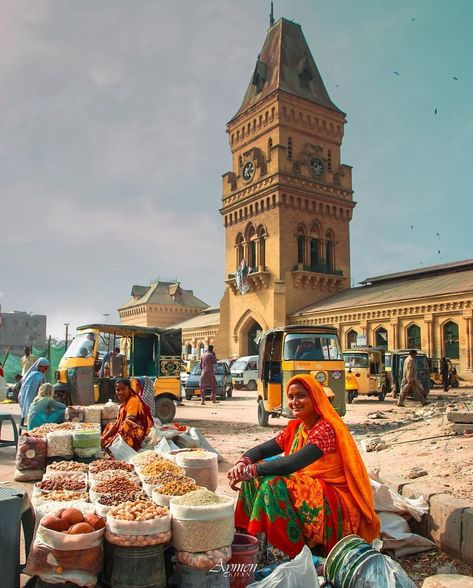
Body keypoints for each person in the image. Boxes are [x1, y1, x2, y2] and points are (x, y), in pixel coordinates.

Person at [228, 374, 380, 559]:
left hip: (335, 502)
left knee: (272, 485)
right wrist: (242, 463)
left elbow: (294, 463)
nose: (294, 402)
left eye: (301, 396)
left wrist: (251, 470)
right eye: (291, 397)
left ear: (315, 398)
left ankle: (286, 552)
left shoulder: (325, 429)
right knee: (254, 480)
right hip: (312, 489)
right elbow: (262, 450)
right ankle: (250, 541)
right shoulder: (297, 428)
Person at [101, 378, 154, 451]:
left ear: (129, 389)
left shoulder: (133, 401)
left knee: (126, 425)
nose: (120, 392)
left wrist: (112, 441)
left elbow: (128, 423)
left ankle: (117, 445)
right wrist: (104, 437)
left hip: (139, 435)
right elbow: (117, 423)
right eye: (118, 390)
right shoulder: (124, 403)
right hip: (128, 431)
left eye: (123, 389)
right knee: (109, 426)